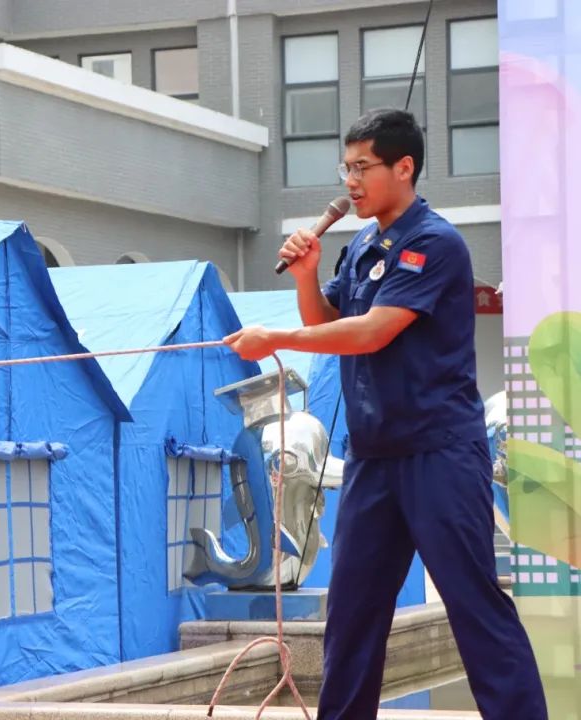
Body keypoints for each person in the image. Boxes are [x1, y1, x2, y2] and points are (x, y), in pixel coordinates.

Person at [222, 109, 547, 719]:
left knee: (473, 605)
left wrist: (277, 339)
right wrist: (306, 274)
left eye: (362, 167)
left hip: (440, 453)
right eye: (346, 167)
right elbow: (329, 323)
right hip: (374, 456)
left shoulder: (435, 244)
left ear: (405, 167)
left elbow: (372, 333)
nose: (351, 180)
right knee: (351, 613)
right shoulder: (362, 245)